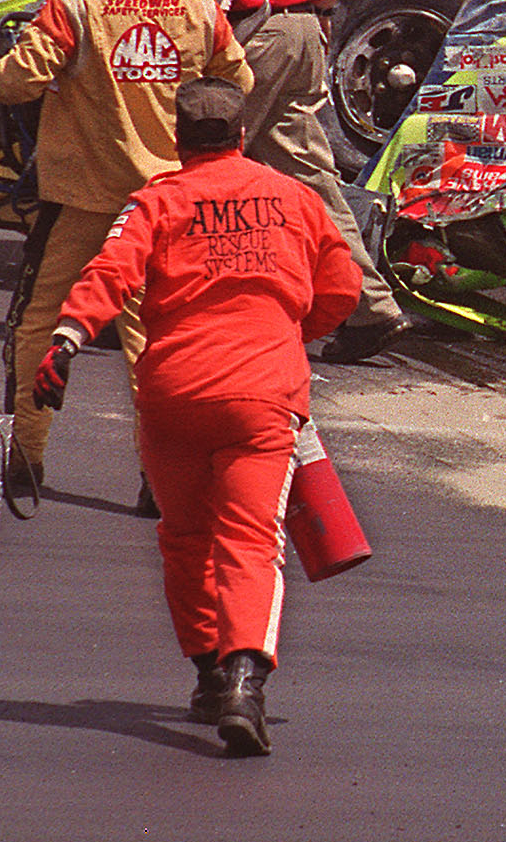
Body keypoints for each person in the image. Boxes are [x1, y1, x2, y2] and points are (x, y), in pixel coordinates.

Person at [31, 78, 362, 757]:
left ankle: (209, 673)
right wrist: (295, 330)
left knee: (184, 538)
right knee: (249, 541)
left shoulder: (159, 199)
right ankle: (245, 682)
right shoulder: (294, 197)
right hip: (262, 395)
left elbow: (111, 270)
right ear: (242, 135)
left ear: (180, 142)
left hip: (173, 395)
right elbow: (342, 287)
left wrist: (66, 338)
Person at [0, 0, 252, 495]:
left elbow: (20, 81)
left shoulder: (72, 0)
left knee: (39, 324)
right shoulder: (200, 7)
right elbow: (238, 85)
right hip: (164, 206)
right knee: (153, 340)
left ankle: (26, 460)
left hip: (78, 202)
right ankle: (162, 475)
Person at [156, 0, 409, 363]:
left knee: (185, 158)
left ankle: (182, 301)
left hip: (256, 33)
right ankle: (373, 309)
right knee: (310, 179)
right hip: (305, 32)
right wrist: (324, 8)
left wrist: (202, 55)